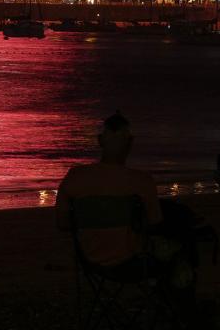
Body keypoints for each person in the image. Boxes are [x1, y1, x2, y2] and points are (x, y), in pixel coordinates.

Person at [58, 113, 163, 268]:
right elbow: (155, 223)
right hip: (132, 260)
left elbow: (62, 223)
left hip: (89, 260)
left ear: (100, 141)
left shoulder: (75, 176)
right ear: (130, 142)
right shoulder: (143, 181)